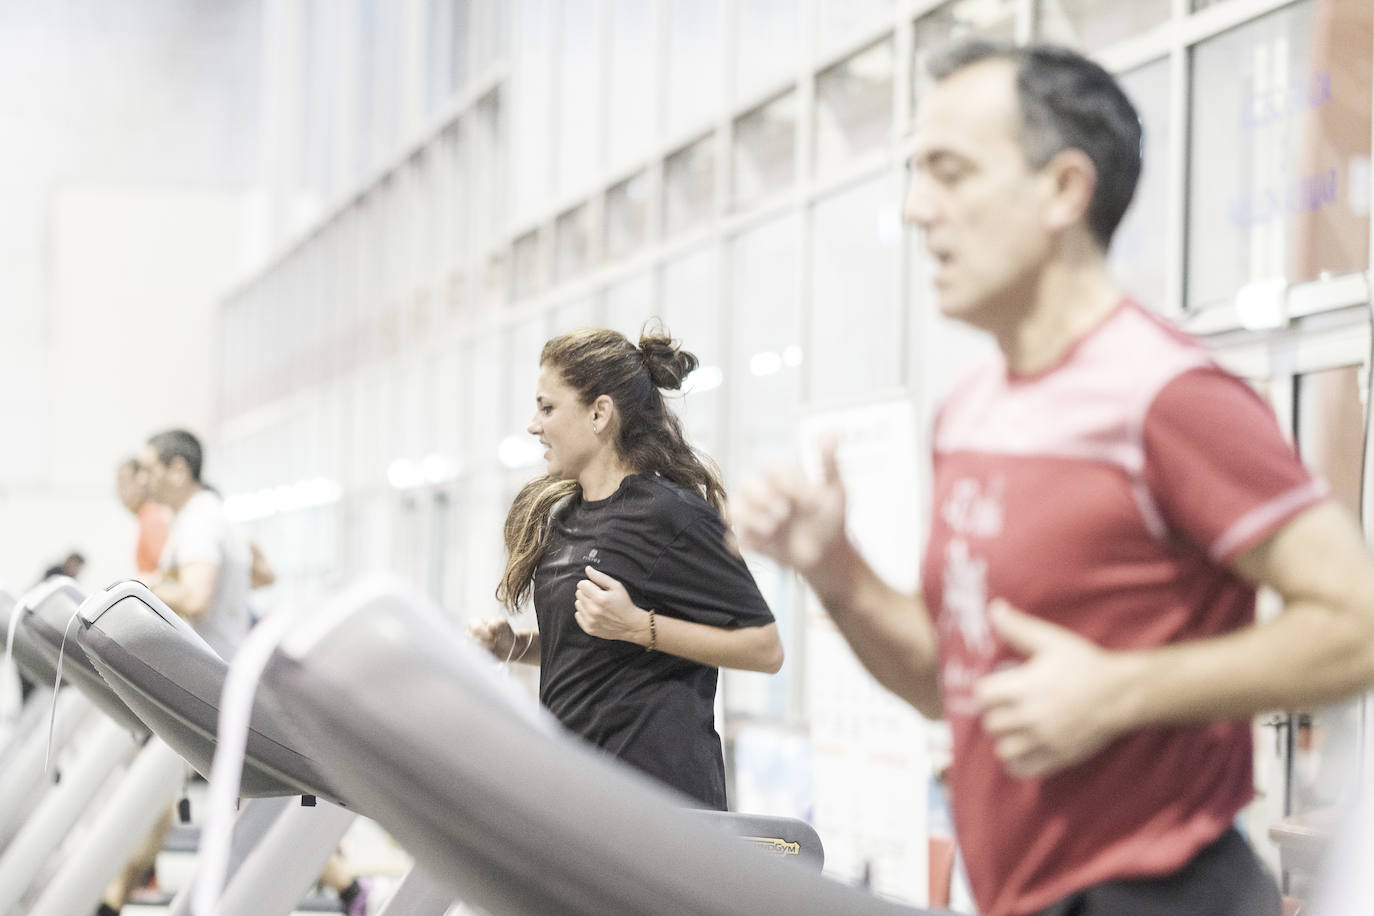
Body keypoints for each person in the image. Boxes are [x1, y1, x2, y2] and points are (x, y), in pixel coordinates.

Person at [731, 39, 1374, 916]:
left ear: (1064, 190)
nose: (918, 209)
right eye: (918, 174)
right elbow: (946, 680)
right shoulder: (969, 411)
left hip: (1162, 893)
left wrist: (1121, 689)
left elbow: (1358, 624)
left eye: (950, 173)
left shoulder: (1169, 392)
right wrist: (834, 568)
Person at [468, 326, 784, 811]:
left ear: (599, 413)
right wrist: (517, 645)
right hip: (578, 796)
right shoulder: (566, 518)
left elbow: (764, 648)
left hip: (658, 806)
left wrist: (641, 627)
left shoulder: (670, 515)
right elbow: (590, 647)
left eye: (548, 407)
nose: (534, 425)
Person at [98, 428, 255, 916]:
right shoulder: (207, 516)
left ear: (178, 469)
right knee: (164, 812)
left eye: (148, 468)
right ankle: (109, 903)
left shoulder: (198, 520)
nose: (142, 480)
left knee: (161, 808)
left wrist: (133, 588)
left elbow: (197, 596)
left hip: (210, 687)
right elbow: (259, 571)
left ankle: (108, 903)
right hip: (210, 682)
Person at [116, 455, 172, 574]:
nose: (119, 491)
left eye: (124, 482)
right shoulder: (146, 516)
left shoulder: (152, 517)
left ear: (142, 480)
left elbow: (167, 570)